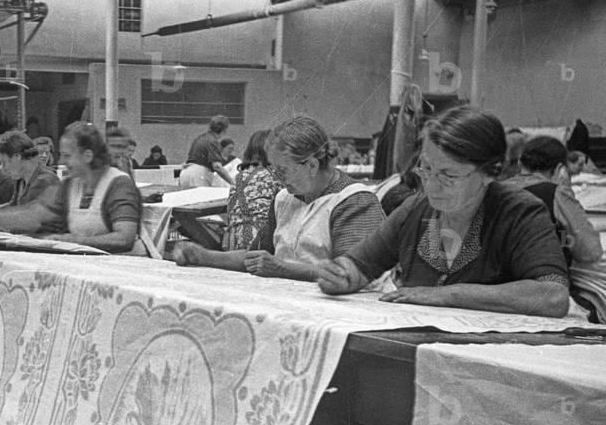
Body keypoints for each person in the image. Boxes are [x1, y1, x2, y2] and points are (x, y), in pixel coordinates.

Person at [317, 106, 571, 318]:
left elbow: (553, 295)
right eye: (426, 169)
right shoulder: (416, 209)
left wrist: (446, 294)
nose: (431, 184)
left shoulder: (519, 212)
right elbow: (361, 264)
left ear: (489, 172)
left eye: (448, 175)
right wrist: (342, 276)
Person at [173, 117, 385, 282]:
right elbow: (256, 256)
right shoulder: (284, 198)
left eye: (283, 171)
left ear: (312, 165)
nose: (278, 179)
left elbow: (348, 275)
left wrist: (284, 269)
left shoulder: (354, 202)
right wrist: (202, 256)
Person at [0, 122, 142, 253]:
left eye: (67, 155)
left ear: (88, 156)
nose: (61, 161)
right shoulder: (70, 186)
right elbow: (33, 215)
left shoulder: (119, 185)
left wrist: (72, 240)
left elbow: (124, 238)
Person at [505, 136, 602, 265]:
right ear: (560, 169)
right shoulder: (556, 194)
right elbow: (590, 252)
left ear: (520, 163)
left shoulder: (494, 190)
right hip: (543, 279)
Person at [180, 114, 235, 187]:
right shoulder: (213, 141)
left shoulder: (200, 138)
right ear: (224, 130)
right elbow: (217, 167)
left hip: (185, 172)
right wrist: (232, 182)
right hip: (199, 174)